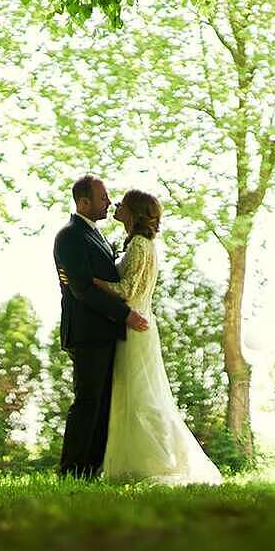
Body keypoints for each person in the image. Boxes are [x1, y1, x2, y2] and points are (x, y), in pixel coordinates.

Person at [97, 189, 223, 485]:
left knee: (141, 396)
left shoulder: (140, 245)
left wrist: (94, 282)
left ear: (134, 212)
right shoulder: (139, 244)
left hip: (134, 327)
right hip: (136, 325)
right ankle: (131, 463)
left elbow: (127, 291)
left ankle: (156, 460)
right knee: (132, 394)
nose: (116, 206)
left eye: (122, 204)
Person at [53, 175, 149, 480]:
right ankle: (71, 470)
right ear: (84, 202)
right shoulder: (69, 236)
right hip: (87, 333)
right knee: (87, 401)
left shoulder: (95, 235)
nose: (109, 202)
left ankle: (92, 468)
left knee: (105, 403)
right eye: (103, 197)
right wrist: (125, 315)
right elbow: (82, 289)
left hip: (106, 333)